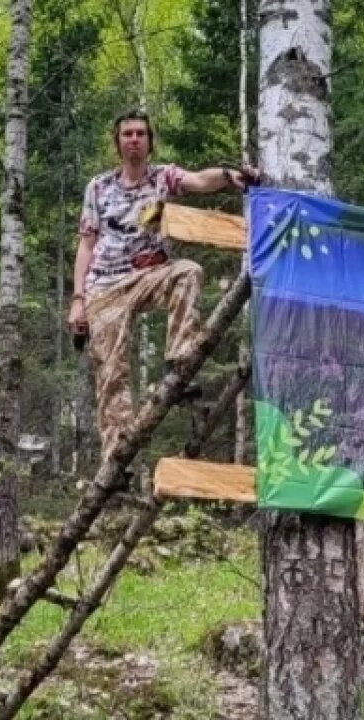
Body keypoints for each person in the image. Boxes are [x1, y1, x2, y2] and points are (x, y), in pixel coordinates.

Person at [68, 108, 256, 462]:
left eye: (141, 134)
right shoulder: (98, 187)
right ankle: (116, 456)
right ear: (118, 144)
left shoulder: (162, 178)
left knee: (187, 271)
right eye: (127, 134)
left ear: (150, 142)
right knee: (111, 371)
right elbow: (86, 244)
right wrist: (78, 300)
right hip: (104, 285)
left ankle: (180, 359)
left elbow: (200, 181)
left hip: (149, 275)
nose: (134, 140)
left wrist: (232, 176)